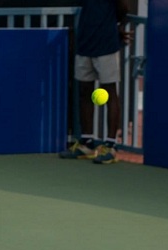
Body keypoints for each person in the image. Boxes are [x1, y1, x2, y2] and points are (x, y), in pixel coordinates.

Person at [60, 0, 132, 165]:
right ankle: (87, 144)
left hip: (106, 44)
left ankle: (111, 146)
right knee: (84, 91)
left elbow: (124, 7)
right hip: (85, 43)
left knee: (110, 92)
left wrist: (117, 25)